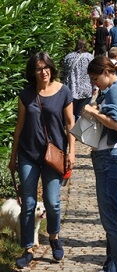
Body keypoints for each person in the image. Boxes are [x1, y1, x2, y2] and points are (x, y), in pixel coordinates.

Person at [8, 51, 75, 269]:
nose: (43, 72)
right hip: (28, 154)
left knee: (53, 202)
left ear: (52, 68)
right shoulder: (26, 95)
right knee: (28, 203)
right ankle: (28, 248)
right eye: (38, 68)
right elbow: (19, 126)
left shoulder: (63, 92)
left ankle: (54, 237)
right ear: (33, 72)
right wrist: (13, 155)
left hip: (53, 155)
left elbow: (70, 124)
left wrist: (71, 151)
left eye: (46, 67)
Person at [84, 56, 117, 272]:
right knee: (114, 220)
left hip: (109, 158)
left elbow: (116, 124)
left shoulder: (115, 90)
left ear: (106, 72)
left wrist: (93, 112)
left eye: (96, 78)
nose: (95, 83)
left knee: (112, 223)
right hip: (111, 157)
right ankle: (112, 266)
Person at [62, 39, 94, 119]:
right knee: (80, 114)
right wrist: (95, 87)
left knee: (69, 113)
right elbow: (93, 72)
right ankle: (77, 130)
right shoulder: (89, 57)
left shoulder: (68, 57)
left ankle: (69, 129)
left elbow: (64, 72)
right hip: (85, 89)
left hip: (70, 89)